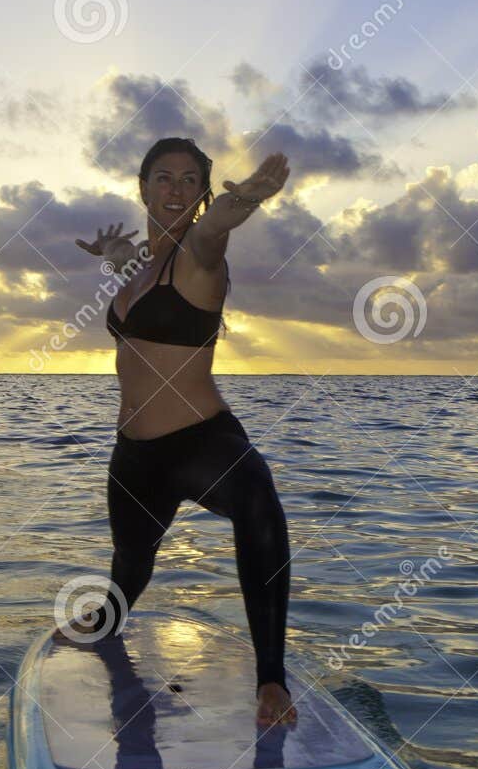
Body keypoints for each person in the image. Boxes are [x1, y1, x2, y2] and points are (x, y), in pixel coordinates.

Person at [52, 137, 296, 727]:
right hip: (134, 454)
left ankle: (271, 679)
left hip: (202, 442)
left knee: (258, 502)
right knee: (130, 563)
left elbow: (214, 231)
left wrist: (244, 204)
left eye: (190, 180)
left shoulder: (200, 253)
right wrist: (112, 254)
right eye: (164, 177)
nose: (176, 189)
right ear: (143, 187)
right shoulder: (143, 266)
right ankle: (110, 615)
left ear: (204, 194)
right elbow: (132, 271)